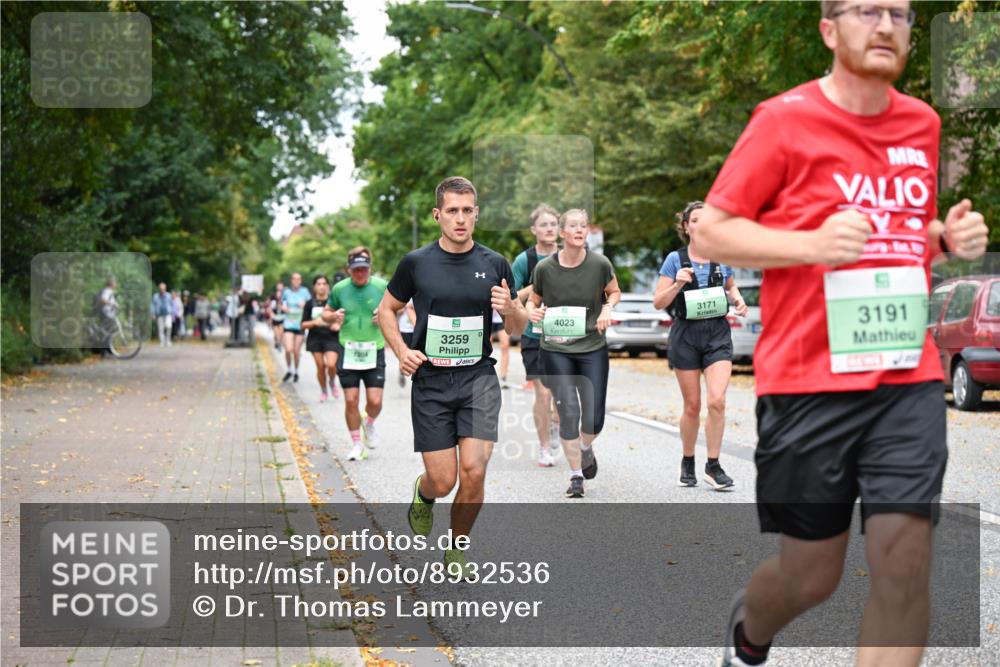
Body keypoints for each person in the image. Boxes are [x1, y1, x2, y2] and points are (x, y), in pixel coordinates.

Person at [696, 3, 990, 666]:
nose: (886, 25)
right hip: (807, 380)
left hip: (905, 377)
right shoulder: (784, 120)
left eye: (901, 14)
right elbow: (711, 231)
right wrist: (808, 244)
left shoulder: (923, 123)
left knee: (904, 560)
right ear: (830, 30)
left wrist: (943, 238)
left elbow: (897, 239)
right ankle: (750, 633)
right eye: (867, 10)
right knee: (811, 575)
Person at [378, 176, 527, 575]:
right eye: (452, 211)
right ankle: (423, 494)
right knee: (443, 481)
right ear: (437, 215)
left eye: (467, 211)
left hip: (478, 378)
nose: (460, 219)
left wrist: (510, 306)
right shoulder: (416, 263)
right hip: (431, 381)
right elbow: (385, 311)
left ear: (476, 214)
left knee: (475, 471)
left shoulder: (494, 263)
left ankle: (457, 548)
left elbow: (518, 328)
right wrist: (402, 351)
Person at [653, 201, 748, 491]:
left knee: (717, 400)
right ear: (686, 226)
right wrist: (677, 284)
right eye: (695, 220)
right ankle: (688, 459)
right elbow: (659, 302)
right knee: (692, 406)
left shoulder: (721, 256)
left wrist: (738, 298)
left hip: (717, 333)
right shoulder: (675, 260)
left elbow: (730, 286)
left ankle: (714, 464)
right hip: (686, 334)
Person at [527, 209, 620, 498]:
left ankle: (584, 447)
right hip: (555, 348)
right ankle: (576, 474)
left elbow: (614, 291)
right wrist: (533, 313)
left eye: (583, 226)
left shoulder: (599, 264)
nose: (580, 230)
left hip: (591, 346)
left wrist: (607, 308)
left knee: (594, 418)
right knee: (568, 410)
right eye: (573, 226)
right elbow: (533, 301)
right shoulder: (545, 269)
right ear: (563, 234)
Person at [324, 249, 388, 461]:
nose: (360, 273)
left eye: (364, 269)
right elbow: (325, 313)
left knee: (375, 401)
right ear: (349, 270)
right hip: (348, 349)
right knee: (351, 400)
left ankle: (368, 423)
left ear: (369, 268)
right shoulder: (340, 289)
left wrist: (384, 315)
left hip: (374, 348)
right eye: (356, 270)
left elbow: (398, 307)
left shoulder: (381, 286)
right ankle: (357, 444)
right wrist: (333, 316)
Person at [512, 203, 562, 466]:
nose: (549, 229)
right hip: (534, 335)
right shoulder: (525, 260)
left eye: (553, 224)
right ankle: (544, 448)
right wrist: (535, 287)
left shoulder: (571, 256)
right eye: (544, 224)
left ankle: (555, 422)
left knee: (562, 393)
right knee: (542, 393)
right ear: (534, 230)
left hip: (565, 333)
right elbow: (510, 296)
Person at [302, 275, 341, 402]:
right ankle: (323, 389)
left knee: (331, 365)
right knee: (320, 366)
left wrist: (338, 325)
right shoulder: (309, 304)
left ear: (328, 286)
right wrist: (314, 323)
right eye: (318, 284)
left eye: (324, 284)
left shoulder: (334, 302)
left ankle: (332, 382)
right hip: (315, 338)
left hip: (331, 337)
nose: (321, 287)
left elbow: (343, 318)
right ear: (314, 287)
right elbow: (303, 324)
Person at [280, 273, 311, 382]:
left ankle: (296, 371)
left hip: (300, 324)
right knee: (289, 349)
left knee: (296, 351)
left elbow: (311, 305)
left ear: (301, 280)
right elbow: (282, 304)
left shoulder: (305, 292)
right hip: (288, 323)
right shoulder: (286, 291)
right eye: (294, 279)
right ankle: (289, 370)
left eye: (298, 279)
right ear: (291, 280)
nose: (296, 281)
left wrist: (305, 305)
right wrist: (284, 308)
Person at [396, 299, 417, 387]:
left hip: (416, 329)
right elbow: (397, 311)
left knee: (416, 352)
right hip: (404, 329)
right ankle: (402, 371)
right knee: (404, 352)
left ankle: (416, 374)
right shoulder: (404, 296)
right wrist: (405, 307)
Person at [490, 310, 511, 388]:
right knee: (486, 346)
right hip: (488, 316)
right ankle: (486, 376)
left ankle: (503, 377)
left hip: (502, 317)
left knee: (505, 345)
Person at [151, 283, 172, 347]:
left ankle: (168, 340)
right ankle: (162, 342)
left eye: (163, 289)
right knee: (161, 329)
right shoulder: (155, 296)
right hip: (159, 314)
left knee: (168, 327)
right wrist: (153, 314)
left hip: (168, 314)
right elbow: (152, 305)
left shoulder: (168, 295)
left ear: (165, 289)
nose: (162, 290)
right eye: (161, 289)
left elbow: (171, 304)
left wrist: (172, 312)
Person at [270, 282, 285, 350]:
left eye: (281, 286)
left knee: (281, 332)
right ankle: (277, 341)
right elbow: (270, 307)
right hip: (275, 317)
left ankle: (279, 343)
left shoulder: (285, 295)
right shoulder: (273, 296)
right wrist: (271, 314)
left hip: (282, 316)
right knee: (276, 332)